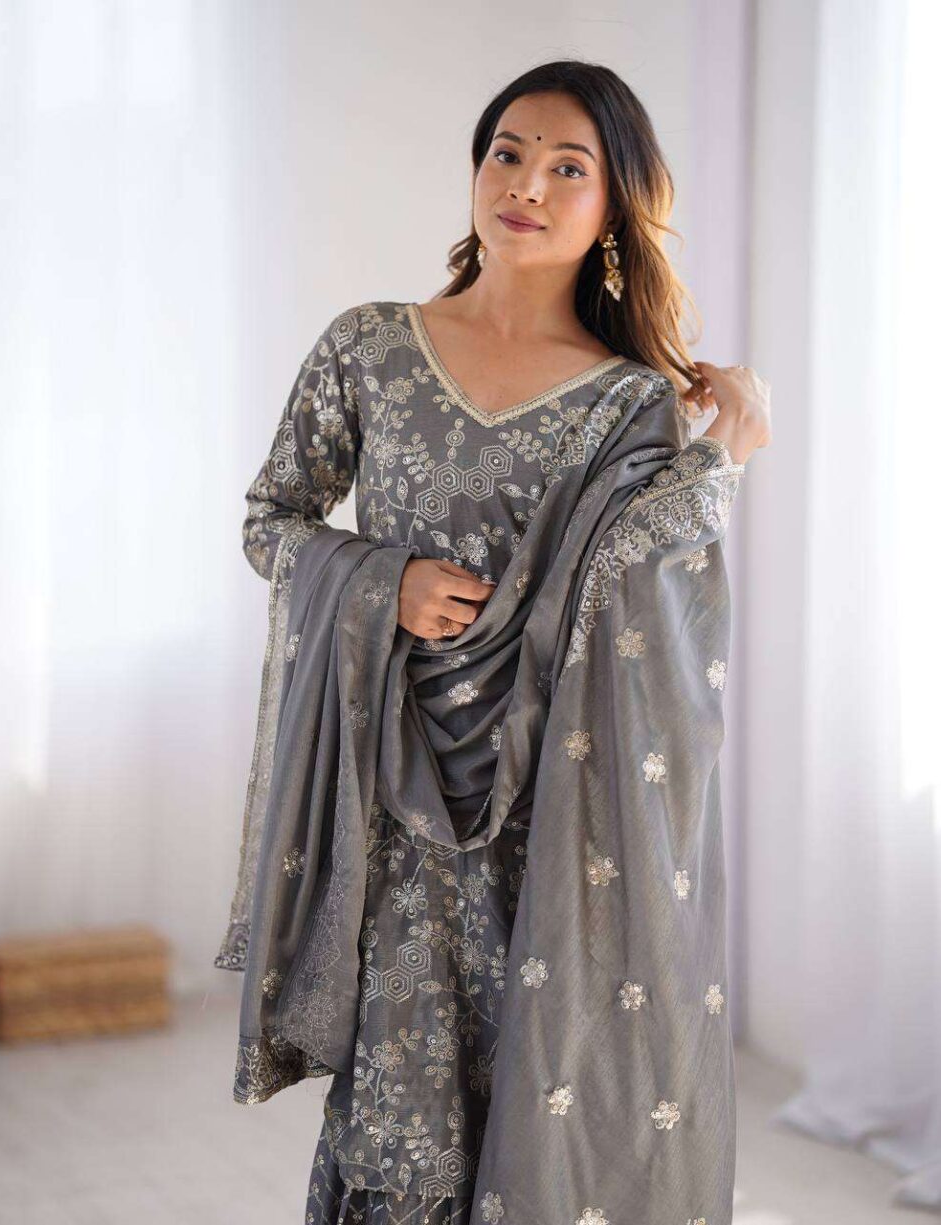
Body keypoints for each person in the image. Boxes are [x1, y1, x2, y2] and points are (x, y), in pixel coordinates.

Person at [215, 59, 770, 1225]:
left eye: (567, 168)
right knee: (400, 1131)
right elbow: (272, 520)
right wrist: (383, 582)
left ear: (611, 209)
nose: (524, 184)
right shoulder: (370, 348)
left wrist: (718, 459)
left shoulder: (626, 401)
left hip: (554, 817)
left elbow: (643, 602)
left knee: (547, 1114)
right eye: (506, 153)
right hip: (396, 802)